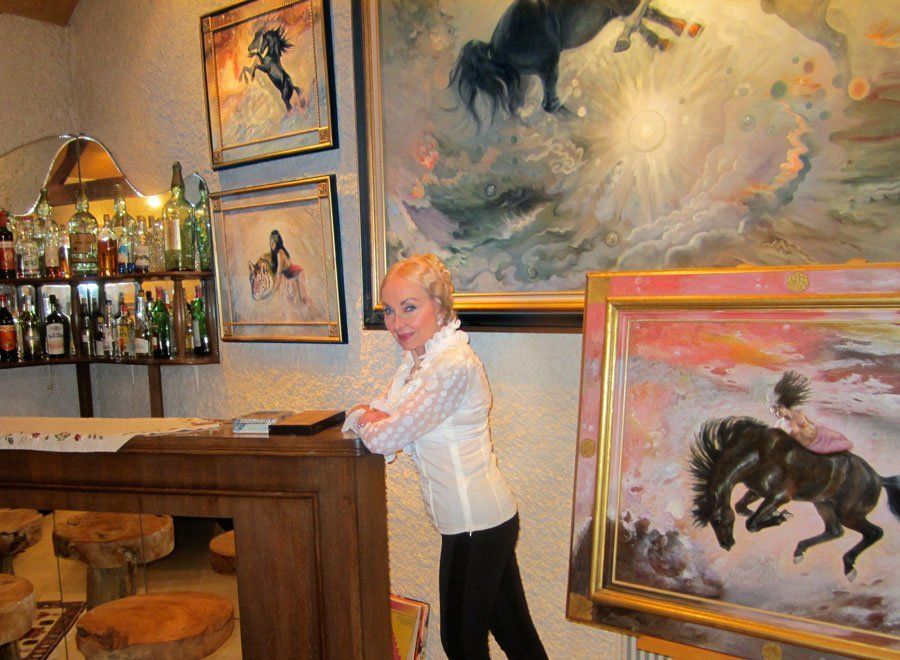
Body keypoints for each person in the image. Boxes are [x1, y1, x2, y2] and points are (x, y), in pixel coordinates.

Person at [344, 254, 547, 660]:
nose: (397, 323)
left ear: (438, 307)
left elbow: (387, 434)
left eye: (409, 307)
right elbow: (382, 409)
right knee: (517, 639)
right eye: (389, 311)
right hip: (479, 522)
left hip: (476, 523)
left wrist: (365, 418)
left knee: (462, 644)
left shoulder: (452, 365)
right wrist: (370, 415)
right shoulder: (420, 362)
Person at [769, 371, 853, 454]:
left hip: (818, 440)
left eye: (776, 412)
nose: (775, 415)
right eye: (773, 413)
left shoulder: (798, 413)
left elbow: (814, 423)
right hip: (805, 450)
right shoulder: (779, 424)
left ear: (782, 407)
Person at [269, 229, 308, 303]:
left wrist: (273, 292)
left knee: (304, 298)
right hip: (292, 277)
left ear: (277, 243)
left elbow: (279, 274)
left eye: (273, 242)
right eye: (270, 242)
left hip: (299, 273)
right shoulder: (276, 255)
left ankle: (316, 310)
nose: (272, 245)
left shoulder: (279, 253)